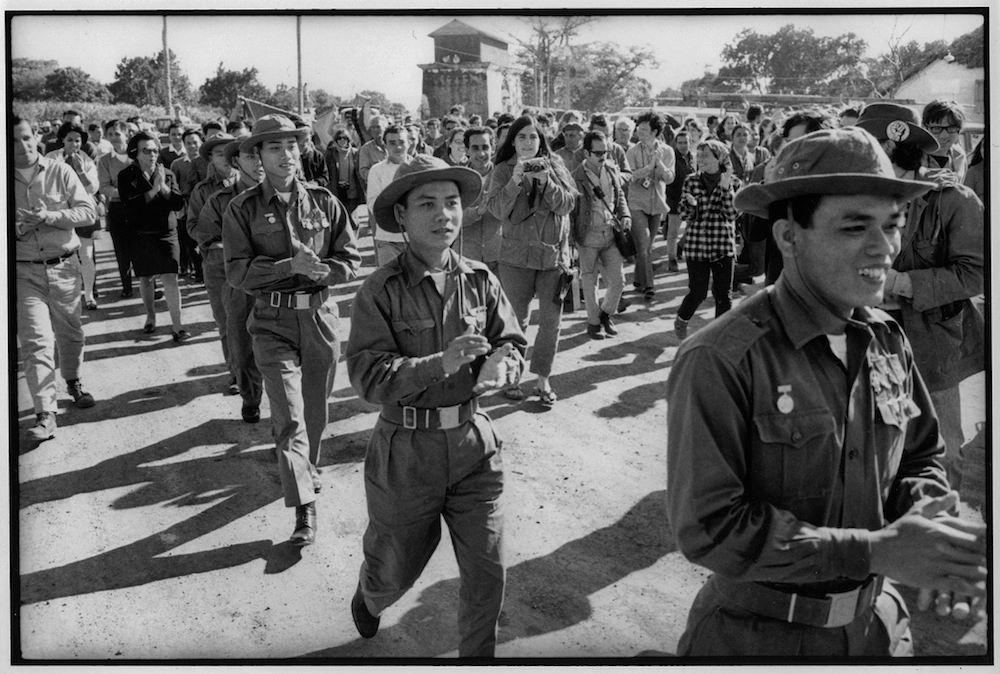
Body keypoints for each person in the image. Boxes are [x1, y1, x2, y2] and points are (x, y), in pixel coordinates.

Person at [668, 126, 987, 657]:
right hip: (757, 641)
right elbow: (709, 530)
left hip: (877, 630)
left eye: (893, 225)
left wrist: (929, 523)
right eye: (854, 226)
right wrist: (874, 552)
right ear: (788, 236)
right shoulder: (722, 357)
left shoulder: (885, 337)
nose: (885, 247)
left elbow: (920, 455)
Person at [345, 154, 527, 657]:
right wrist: (438, 364)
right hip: (408, 453)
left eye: (451, 203)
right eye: (427, 204)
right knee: (394, 569)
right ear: (401, 216)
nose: (444, 214)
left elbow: (511, 341)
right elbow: (367, 377)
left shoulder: (481, 279)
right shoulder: (378, 291)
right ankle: (371, 595)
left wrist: (504, 366)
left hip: (474, 448)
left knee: (488, 575)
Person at [223, 114, 361, 546]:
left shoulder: (324, 201)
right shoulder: (242, 208)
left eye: (292, 146)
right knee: (289, 414)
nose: (286, 155)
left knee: (316, 413)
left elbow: (351, 258)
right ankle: (305, 507)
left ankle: (307, 466)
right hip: (271, 321)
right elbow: (236, 273)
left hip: (320, 316)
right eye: (275, 148)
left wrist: (327, 270)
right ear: (259, 157)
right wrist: (288, 266)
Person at [856, 103, 985, 493]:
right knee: (881, 448)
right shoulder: (855, 198)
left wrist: (902, 283)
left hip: (931, 344)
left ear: (895, 148)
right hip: (871, 343)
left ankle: (940, 534)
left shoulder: (951, 199)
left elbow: (977, 272)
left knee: (941, 451)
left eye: (870, 148)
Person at [14, 114, 98, 446]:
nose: (21, 146)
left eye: (25, 137)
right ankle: (45, 412)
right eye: (12, 140)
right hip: (24, 270)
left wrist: (49, 216)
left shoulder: (60, 171)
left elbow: (87, 212)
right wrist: (20, 228)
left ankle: (73, 381)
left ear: (35, 136)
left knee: (70, 333)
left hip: (63, 266)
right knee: (36, 342)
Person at [485, 114, 577, 405]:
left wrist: (546, 181)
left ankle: (542, 379)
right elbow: (497, 210)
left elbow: (567, 205)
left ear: (541, 141)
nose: (528, 142)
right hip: (515, 258)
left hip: (552, 259)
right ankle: (513, 377)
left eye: (533, 137)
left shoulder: (556, 165)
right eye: (522, 137)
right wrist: (514, 181)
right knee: (516, 322)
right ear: (513, 141)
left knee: (551, 322)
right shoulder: (501, 170)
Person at [195, 140, 265, 422]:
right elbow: (206, 241)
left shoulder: (284, 195)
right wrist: (241, 254)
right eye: (251, 156)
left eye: (262, 155)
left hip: (279, 282)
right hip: (237, 281)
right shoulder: (219, 201)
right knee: (241, 338)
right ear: (236, 162)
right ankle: (250, 396)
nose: (259, 162)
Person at [119, 131, 189, 341]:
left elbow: (177, 204)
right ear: (135, 152)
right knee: (146, 278)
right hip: (141, 234)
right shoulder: (126, 175)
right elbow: (129, 207)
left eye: (155, 150)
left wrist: (165, 189)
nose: (152, 155)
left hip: (167, 233)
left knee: (170, 278)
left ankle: (178, 326)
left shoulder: (167, 173)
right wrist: (153, 190)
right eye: (146, 150)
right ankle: (151, 316)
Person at [673, 139, 741, 340]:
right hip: (697, 246)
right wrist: (690, 205)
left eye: (705, 155)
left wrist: (726, 188)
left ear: (719, 158)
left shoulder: (734, 181)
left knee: (723, 296)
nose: (700, 159)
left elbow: (732, 215)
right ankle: (682, 319)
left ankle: (721, 337)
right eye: (699, 155)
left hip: (722, 245)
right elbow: (685, 215)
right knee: (698, 293)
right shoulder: (691, 181)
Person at [188, 133, 239, 392]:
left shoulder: (252, 183)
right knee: (227, 322)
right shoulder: (203, 190)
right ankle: (238, 374)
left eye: (230, 152)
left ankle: (259, 370)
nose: (227, 158)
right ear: (210, 158)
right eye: (220, 154)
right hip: (218, 265)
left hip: (252, 264)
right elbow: (193, 225)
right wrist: (213, 241)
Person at [570, 131, 629, 340]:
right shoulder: (576, 176)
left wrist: (625, 214)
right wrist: (569, 242)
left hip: (610, 232)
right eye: (597, 152)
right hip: (587, 236)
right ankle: (593, 323)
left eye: (606, 151)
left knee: (619, 281)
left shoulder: (612, 169)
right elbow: (570, 211)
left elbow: (620, 195)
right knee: (589, 281)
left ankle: (605, 314)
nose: (603, 156)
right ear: (586, 153)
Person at [46, 122, 101, 310]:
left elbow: (93, 188)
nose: (74, 144)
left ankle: (89, 295)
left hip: (82, 210)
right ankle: (69, 294)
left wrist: (81, 171)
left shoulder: (85, 159)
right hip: (61, 211)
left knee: (86, 254)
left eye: (77, 141)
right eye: (70, 140)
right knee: (67, 254)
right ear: (62, 140)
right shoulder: (51, 158)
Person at [625, 112, 675, 299]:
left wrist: (659, 164)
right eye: (639, 128)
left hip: (657, 204)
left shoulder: (667, 151)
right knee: (644, 243)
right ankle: (649, 285)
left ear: (655, 131)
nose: (639, 132)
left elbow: (670, 178)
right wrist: (648, 168)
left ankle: (638, 280)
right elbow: (630, 176)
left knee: (646, 247)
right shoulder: (632, 152)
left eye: (644, 129)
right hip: (637, 203)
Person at [98, 120, 136, 299]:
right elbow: (104, 186)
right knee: (122, 250)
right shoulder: (105, 160)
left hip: (139, 208)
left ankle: (149, 287)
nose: (113, 138)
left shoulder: (137, 156)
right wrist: (126, 192)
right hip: (118, 209)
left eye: (117, 134)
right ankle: (126, 285)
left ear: (126, 134)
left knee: (143, 248)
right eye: (110, 134)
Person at [457, 127, 502, 273]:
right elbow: (452, 217)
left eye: (485, 147)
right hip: (465, 258)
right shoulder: (456, 178)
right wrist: (477, 212)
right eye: (475, 148)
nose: (481, 153)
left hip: (499, 256)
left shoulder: (504, 178)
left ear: (493, 149)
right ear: (466, 150)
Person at [366, 124, 412, 267]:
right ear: (385, 145)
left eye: (401, 142)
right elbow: (373, 203)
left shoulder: (418, 167)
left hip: (416, 238)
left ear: (409, 143)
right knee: (389, 284)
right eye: (392, 143)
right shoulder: (377, 170)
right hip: (387, 239)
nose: (398, 147)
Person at [169, 128, 207, 282]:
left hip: (208, 206)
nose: (192, 146)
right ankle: (198, 271)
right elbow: (175, 187)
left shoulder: (208, 162)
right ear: (184, 144)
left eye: (195, 142)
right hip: (188, 207)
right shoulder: (177, 164)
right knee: (190, 241)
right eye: (188, 143)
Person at [664, 130, 695, 272]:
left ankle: (680, 247)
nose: (683, 146)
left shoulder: (693, 158)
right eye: (680, 143)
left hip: (691, 201)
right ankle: (672, 259)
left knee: (692, 228)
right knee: (672, 233)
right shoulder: (672, 158)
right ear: (676, 144)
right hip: (675, 200)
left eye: (686, 142)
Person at [921, 100, 968, 181]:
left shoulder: (959, 156)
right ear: (924, 127)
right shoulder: (913, 155)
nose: (944, 135)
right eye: (936, 128)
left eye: (951, 128)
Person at [325, 129, 363, 220]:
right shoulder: (331, 153)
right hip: (337, 190)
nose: (342, 140)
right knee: (340, 217)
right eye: (339, 138)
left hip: (352, 189)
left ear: (349, 139)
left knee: (352, 218)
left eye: (345, 138)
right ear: (335, 140)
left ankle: (354, 233)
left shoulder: (355, 153)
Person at [358, 115, 389, 195]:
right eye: (372, 127)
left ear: (385, 128)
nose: (375, 130)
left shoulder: (392, 146)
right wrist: (381, 172)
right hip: (376, 191)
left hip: (392, 188)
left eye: (378, 127)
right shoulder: (366, 149)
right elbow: (363, 172)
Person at [295, 121, 329, 187]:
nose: (304, 137)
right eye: (300, 134)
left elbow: (325, 177)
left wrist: (315, 183)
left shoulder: (317, 156)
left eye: (306, 134)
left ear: (310, 135)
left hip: (315, 192)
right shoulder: (290, 156)